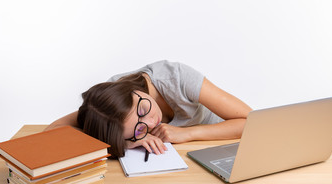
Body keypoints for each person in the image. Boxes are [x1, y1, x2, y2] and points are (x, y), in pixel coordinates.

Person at [45, 60, 252, 158]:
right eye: (139, 129)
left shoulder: (177, 78)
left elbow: (251, 122)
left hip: (223, 143)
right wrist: (122, 142)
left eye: (143, 109)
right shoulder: (102, 110)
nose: (153, 123)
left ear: (131, 89)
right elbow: (52, 132)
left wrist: (187, 133)